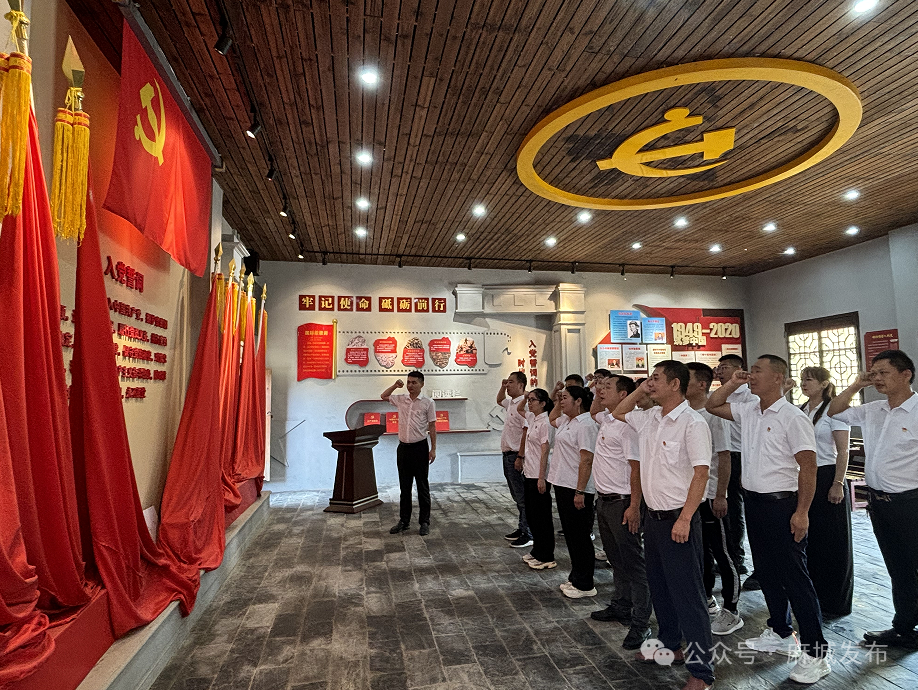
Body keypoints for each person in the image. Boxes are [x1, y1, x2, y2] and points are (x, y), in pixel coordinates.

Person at [707, 355, 830, 684]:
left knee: (795, 577)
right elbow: (713, 404)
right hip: (755, 503)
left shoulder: (792, 417)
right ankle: (780, 631)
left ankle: (816, 653)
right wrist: (733, 382)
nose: (751, 375)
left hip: (783, 505)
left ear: (778, 377)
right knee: (768, 571)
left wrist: (802, 512)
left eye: (758, 371)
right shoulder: (749, 410)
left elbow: (809, 467)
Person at [614, 361, 715, 690]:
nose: (649, 383)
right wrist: (641, 388)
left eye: (656, 378)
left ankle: (702, 671)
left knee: (689, 596)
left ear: (675, 384)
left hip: (678, 520)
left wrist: (685, 518)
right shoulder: (650, 418)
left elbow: (701, 473)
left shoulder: (692, 423)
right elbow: (618, 411)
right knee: (660, 588)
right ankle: (671, 645)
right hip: (654, 519)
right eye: (649, 378)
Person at [829, 349, 918, 649]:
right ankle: (904, 628)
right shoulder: (873, 409)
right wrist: (856, 385)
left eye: (884, 373)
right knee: (898, 569)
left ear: (906, 374)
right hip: (880, 503)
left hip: (911, 504)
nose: (877, 378)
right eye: (874, 373)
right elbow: (834, 411)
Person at [589, 375, 653, 650]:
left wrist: (634, 506)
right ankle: (621, 605)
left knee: (634, 563)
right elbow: (593, 410)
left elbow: (636, 469)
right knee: (616, 559)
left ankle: (641, 622)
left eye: (608, 388)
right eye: (600, 387)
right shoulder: (608, 419)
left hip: (622, 502)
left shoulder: (628, 426)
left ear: (624, 394)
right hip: (605, 501)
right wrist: (597, 390)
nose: (601, 391)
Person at [686, 362, 743, 636]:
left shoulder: (713, 415)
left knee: (722, 551)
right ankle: (706, 597)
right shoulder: (685, 412)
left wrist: (721, 495)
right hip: (691, 495)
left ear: (701, 384)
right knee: (700, 551)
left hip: (710, 494)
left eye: (686, 379)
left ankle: (731, 609)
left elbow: (724, 456)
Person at [798, 367, 853, 617]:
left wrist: (838, 482)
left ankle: (835, 601)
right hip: (805, 475)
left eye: (808, 380)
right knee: (811, 537)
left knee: (832, 540)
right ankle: (813, 595)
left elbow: (843, 451)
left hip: (828, 474)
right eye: (802, 380)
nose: (803, 384)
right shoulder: (801, 410)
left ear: (823, 384)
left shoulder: (834, 410)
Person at [549, 385, 598, 598]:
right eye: (560, 398)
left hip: (577, 487)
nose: (561, 401)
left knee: (580, 536)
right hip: (563, 484)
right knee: (571, 534)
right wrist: (556, 394)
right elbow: (552, 417)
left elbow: (586, 459)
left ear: (578, 401)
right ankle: (576, 576)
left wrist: (580, 491)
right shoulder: (567, 421)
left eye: (565, 398)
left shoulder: (586, 424)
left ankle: (585, 583)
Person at [381, 372, 436, 536]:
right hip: (403, 448)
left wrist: (433, 449)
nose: (410, 385)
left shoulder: (428, 402)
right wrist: (394, 386)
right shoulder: (401, 399)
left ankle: (424, 522)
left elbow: (432, 426)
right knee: (404, 488)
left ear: (422, 384)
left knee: (422, 486)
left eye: (414, 382)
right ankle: (404, 521)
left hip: (420, 448)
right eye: (408, 382)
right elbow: (384, 396)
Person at [714, 354, 752, 578]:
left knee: (737, 509)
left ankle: (738, 559)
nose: (720, 371)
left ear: (739, 369)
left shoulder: (749, 397)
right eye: (719, 367)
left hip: (741, 456)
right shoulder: (719, 395)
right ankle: (726, 556)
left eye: (725, 367)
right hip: (723, 455)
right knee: (725, 509)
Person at [517, 389, 556, 570]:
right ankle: (537, 550)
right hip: (529, 472)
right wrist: (524, 397)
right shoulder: (533, 418)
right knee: (532, 515)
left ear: (543, 403)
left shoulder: (545, 422)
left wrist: (542, 477)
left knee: (542, 517)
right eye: (529, 399)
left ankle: (547, 555)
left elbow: (545, 450)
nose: (529, 403)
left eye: (533, 400)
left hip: (539, 475)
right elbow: (519, 409)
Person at [497, 372, 531, 547]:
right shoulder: (511, 403)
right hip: (508, 455)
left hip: (516, 455)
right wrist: (502, 386)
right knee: (517, 496)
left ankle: (529, 533)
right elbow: (499, 400)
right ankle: (522, 527)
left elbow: (526, 432)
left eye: (511, 382)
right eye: (507, 382)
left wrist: (520, 456)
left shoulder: (524, 405)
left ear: (521, 385)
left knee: (523, 496)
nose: (508, 385)